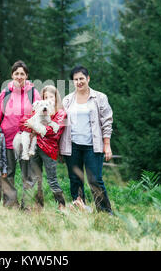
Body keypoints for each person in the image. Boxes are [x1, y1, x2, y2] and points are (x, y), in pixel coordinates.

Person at [59, 66, 114, 214]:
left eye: (81, 78)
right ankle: (80, 210)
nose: (79, 82)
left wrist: (107, 145)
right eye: (76, 79)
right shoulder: (67, 100)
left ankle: (105, 212)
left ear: (88, 78)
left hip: (93, 146)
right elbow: (61, 123)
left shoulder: (99, 98)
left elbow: (107, 121)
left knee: (95, 179)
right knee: (75, 180)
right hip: (72, 146)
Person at [0, 60, 41, 207]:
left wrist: (35, 129)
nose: (19, 76)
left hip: (27, 140)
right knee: (8, 174)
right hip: (7, 141)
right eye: (16, 73)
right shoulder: (5, 93)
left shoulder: (33, 93)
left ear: (26, 76)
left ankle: (27, 206)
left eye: (22, 74)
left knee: (28, 176)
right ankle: (10, 205)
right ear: (12, 75)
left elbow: (40, 114)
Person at [22, 85, 67, 210]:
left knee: (52, 179)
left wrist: (35, 127)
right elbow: (25, 123)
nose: (48, 99)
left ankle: (61, 205)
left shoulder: (60, 113)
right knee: (34, 179)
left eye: (51, 97)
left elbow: (53, 132)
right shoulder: (39, 110)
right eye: (45, 97)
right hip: (35, 147)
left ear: (56, 98)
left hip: (49, 149)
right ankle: (29, 206)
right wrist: (31, 126)